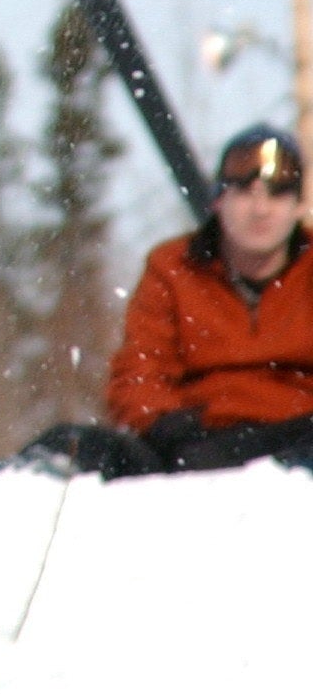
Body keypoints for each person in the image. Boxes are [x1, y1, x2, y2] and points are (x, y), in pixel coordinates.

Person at [99, 123, 313, 472]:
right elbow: (139, 371)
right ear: (218, 200)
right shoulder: (173, 268)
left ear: (298, 206)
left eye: (277, 195)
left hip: (301, 439)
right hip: (200, 442)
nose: (260, 210)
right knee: (84, 446)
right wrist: (162, 424)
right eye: (245, 192)